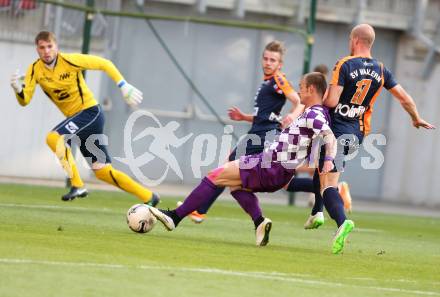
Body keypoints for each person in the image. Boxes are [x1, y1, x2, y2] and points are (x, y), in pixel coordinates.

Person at [150, 72, 337, 247]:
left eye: (301, 87)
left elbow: (330, 137)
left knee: (215, 176)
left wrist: (328, 158)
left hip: (269, 165)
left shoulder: (314, 114)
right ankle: (260, 222)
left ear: (311, 89)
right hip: (274, 168)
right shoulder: (318, 113)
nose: (298, 91)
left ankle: (174, 218)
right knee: (236, 185)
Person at [308, 23, 435, 254]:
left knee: (329, 185)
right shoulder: (382, 69)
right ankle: (317, 212)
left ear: (355, 40)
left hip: (335, 133)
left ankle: (341, 222)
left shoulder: (344, 64)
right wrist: (416, 118)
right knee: (321, 170)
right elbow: (404, 98)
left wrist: (316, 98)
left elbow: (332, 102)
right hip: (357, 134)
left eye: (350, 39)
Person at [10, 31, 160, 205]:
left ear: (56, 46)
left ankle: (77, 185)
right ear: (37, 49)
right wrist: (17, 89)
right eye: (42, 47)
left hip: (90, 113)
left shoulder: (69, 60)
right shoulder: (34, 69)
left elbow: (104, 63)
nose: (46, 51)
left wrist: (123, 85)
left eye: (50, 46)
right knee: (102, 172)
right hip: (79, 121)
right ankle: (149, 197)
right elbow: (25, 100)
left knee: (53, 138)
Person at [183, 40, 301, 223]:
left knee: (224, 171)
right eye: (266, 58)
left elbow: (298, 100)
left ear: (280, 64)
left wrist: (293, 115)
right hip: (261, 132)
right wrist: (244, 117)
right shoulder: (268, 82)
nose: (268, 63)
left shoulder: (279, 79)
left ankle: (200, 210)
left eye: (273, 60)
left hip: (261, 135)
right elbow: (265, 115)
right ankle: (258, 220)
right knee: (239, 184)